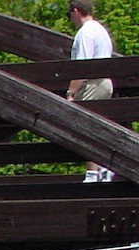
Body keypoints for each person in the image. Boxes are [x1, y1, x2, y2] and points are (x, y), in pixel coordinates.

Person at [66, 0, 114, 182]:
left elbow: (83, 67)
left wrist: (71, 92)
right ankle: (103, 168)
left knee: (87, 128)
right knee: (98, 126)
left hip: (93, 82)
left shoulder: (85, 33)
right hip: (105, 81)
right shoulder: (100, 30)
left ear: (76, 11)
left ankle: (93, 172)